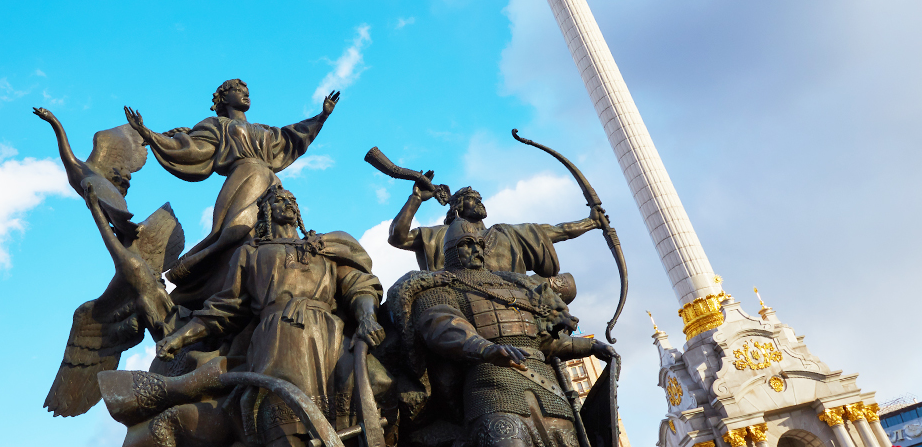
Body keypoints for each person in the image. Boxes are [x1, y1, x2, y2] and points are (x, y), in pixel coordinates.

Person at [156, 184, 389, 447]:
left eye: (292, 200)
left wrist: (367, 316)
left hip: (329, 336)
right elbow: (225, 307)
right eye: (280, 200)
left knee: (373, 392)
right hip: (279, 338)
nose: (288, 204)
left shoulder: (324, 248)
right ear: (266, 210)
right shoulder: (252, 253)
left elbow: (359, 285)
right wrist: (179, 338)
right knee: (284, 420)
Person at [393, 220, 619, 447]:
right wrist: (485, 348)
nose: (476, 250)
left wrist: (590, 346)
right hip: (492, 389)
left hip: (551, 394)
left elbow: (544, 341)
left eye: (479, 244)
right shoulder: (440, 287)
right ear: (450, 251)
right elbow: (442, 326)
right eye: (467, 244)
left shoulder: (515, 285)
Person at [124, 79, 339, 307]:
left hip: (272, 183)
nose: (246, 94)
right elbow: (192, 149)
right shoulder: (217, 125)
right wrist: (148, 133)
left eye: (247, 91)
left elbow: (292, 137)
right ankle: (203, 282)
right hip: (243, 178)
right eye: (239, 91)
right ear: (224, 98)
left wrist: (321, 117)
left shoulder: (264, 130)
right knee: (234, 234)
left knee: (273, 235)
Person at [387, 185, 603, 276]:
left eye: (481, 199)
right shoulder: (438, 236)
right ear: (459, 207)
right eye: (473, 199)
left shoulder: (509, 233)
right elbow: (398, 237)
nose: (480, 202)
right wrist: (415, 199)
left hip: (514, 301)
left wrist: (591, 222)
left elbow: (558, 231)